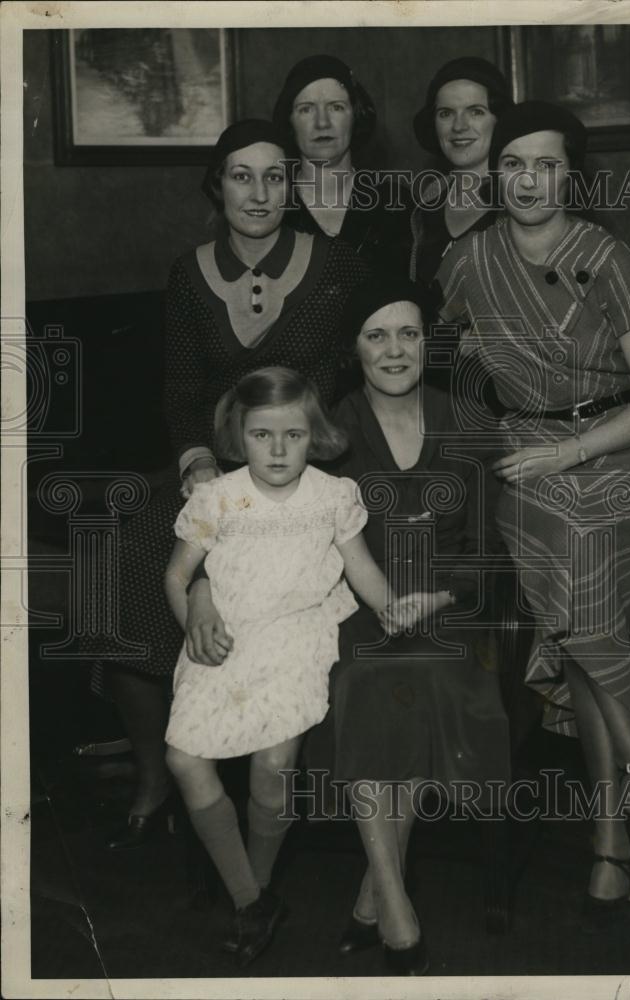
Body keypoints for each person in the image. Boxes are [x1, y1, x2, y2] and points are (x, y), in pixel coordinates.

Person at [187, 277, 511, 975]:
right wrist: (205, 587)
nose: (395, 350)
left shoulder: (466, 420)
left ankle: (373, 894)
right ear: (354, 351)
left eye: (409, 333)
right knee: (367, 679)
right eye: (376, 335)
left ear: (429, 342)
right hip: (357, 611)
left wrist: (435, 599)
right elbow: (252, 530)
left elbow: (488, 557)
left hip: (451, 611)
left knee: (428, 680)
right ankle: (393, 894)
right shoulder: (328, 431)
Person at [97, 119, 369, 851]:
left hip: (302, 469)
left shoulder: (335, 262)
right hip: (212, 470)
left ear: (294, 183)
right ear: (217, 185)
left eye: (274, 176)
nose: (259, 192)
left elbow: (348, 379)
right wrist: (195, 463)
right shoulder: (190, 272)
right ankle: (158, 772)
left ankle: (273, 773)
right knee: (132, 561)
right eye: (241, 176)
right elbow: (181, 387)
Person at [437, 101, 630, 918]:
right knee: (583, 608)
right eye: (514, 163)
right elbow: (434, 346)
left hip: (622, 456)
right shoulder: (469, 259)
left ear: (571, 173)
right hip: (530, 462)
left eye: (546, 163)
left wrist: (571, 451)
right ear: (494, 173)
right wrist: (470, 351)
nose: (529, 178)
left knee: (582, 632)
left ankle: (613, 826)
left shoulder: (609, 257)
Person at [163, 366, 410, 966]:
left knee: (274, 763)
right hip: (224, 637)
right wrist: (194, 620)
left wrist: (391, 609)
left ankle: (257, 891)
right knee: (183, 760)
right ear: (237, 435)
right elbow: (176, 574)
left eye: (293, 436)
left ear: (314, 434)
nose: (277, 450)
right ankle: (254, 900)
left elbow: (363, 570)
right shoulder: (216, 497)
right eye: (261, 435)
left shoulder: (332, 497)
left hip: (297, 634)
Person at [272, 54, 411, 274]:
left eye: (336, 107)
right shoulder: (270, 202)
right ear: (289, 121)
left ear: (356, 115)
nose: (322, 123)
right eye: (306, 109)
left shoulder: (396, 202)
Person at [409, 57, 513, 289]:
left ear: (499, 119)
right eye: (445, 113)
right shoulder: (428, 200)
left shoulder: (523, 199)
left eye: (475, 112)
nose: (458, 126)